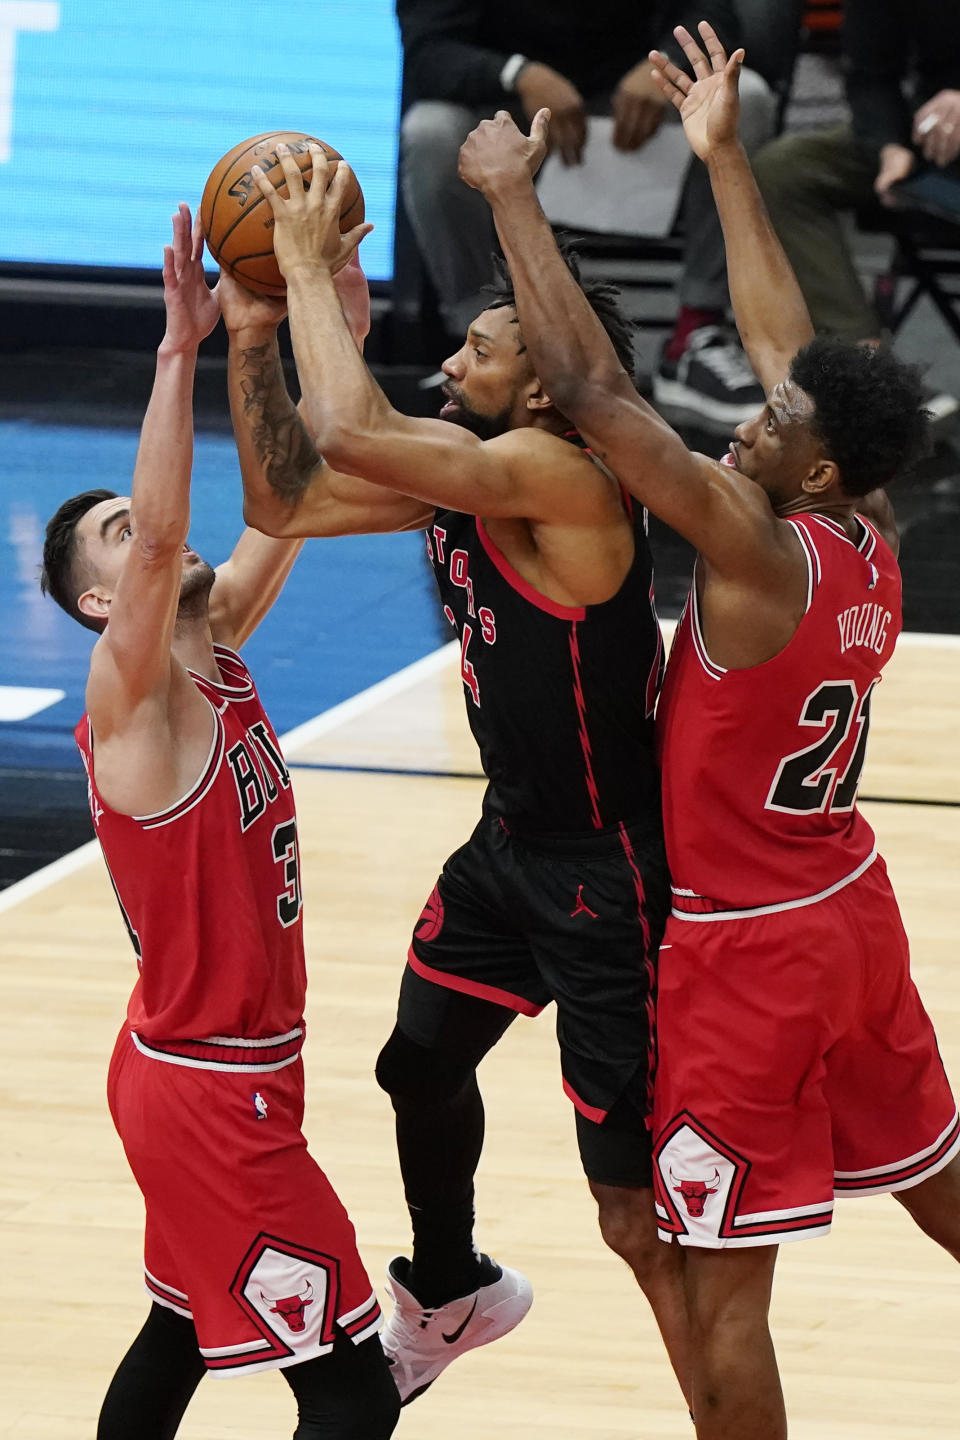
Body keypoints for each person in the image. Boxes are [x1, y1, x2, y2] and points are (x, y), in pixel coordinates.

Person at [455, 21, 960, 1438]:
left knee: (717, 1285)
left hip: (745, 955)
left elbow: (605, 399)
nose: (751, 415)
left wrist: (513, 201)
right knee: (939, 1184)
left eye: (774, 421)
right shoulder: (862, 527)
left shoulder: (751, 543)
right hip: (852, 912)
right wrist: (728, 160)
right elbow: (785, 338)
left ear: (814, 463)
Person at [230, 148, 693, 1412]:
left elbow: (349, 426)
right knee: (417, 1067)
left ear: (540, 382)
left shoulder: (563, 474)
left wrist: (319, 268)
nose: (453, 365)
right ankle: (450, 1288)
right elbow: (285, 492)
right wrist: (257, 328)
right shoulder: (466, 470)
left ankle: (723, 1397)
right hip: (510, 848)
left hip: (608, 874)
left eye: (479, 351)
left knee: (628, 1207)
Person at [39, 206, 400, 1440]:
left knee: (182, 1331)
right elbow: (165, 554)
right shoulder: (131, 697)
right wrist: (177, 352)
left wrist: (323, 329)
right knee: (354, 1390)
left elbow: (292, 491)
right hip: (206, 1092)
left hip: (228, 1071)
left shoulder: (219, 644)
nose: (144, 534)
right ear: (98, 598)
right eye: (118, 531)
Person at [396, 0, 797, 428]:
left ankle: (696, 335)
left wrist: (663, 64)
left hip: (634, 102)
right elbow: (427, 53)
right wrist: (517, 73)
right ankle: (477, 344)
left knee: (743, 97)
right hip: (508, 105)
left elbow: (710, 11)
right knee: (430, 132)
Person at [751, 0, 960, 415]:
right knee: (784, 171)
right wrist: (888, 145)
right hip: (933, 135)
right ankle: (867, 371)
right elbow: (870, 76)